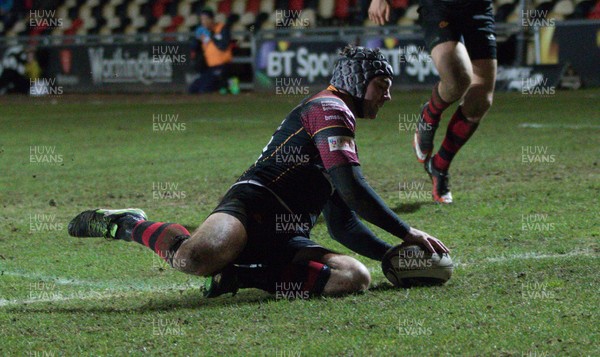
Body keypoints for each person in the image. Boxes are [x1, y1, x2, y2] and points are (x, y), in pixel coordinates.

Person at [68, 46, 449, 299]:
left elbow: (342, 224)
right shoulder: (329, 108)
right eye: (382, 85)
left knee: (354, 278)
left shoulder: (338, 125)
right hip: (252, 206)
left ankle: (242, 275)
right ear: (356, 80)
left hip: (289, 235)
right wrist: (408, 232)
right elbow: (352, 188)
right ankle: (127, 223)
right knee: (194, 259)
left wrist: (390, 258)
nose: (387, 96)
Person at [369, 0, 497, 203]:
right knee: (457, 80)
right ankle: (429, 115)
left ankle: (439, 166)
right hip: (440, 8)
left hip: (478, 8)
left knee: (480, 101)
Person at [189, 8, 237, 94]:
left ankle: (229, 83)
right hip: (211, 67)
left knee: (204, 89)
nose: (203, 22)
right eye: (202, 20)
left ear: (211, 19)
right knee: (192, 89)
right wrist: (196, 39)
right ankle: (226, 84)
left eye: (205, 19)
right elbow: (194, 47)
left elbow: (223, 46)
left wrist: (211, 35)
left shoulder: (222, 28)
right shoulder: (202, 32)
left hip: (223, 65)